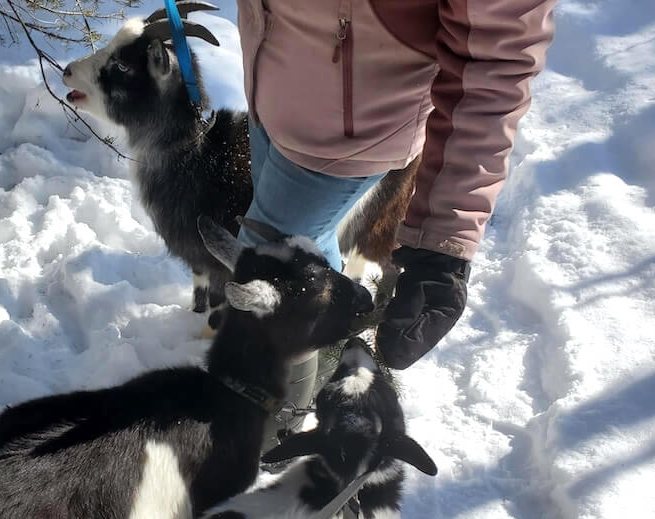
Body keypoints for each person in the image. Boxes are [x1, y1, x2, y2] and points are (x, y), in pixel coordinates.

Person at [234, 0, 556, 442]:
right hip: (272, 81)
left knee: (270, 272)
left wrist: (443, 242)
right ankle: (319, 365)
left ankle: (273, 422)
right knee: (301, 257)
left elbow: (495, 58)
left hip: (354, 120)